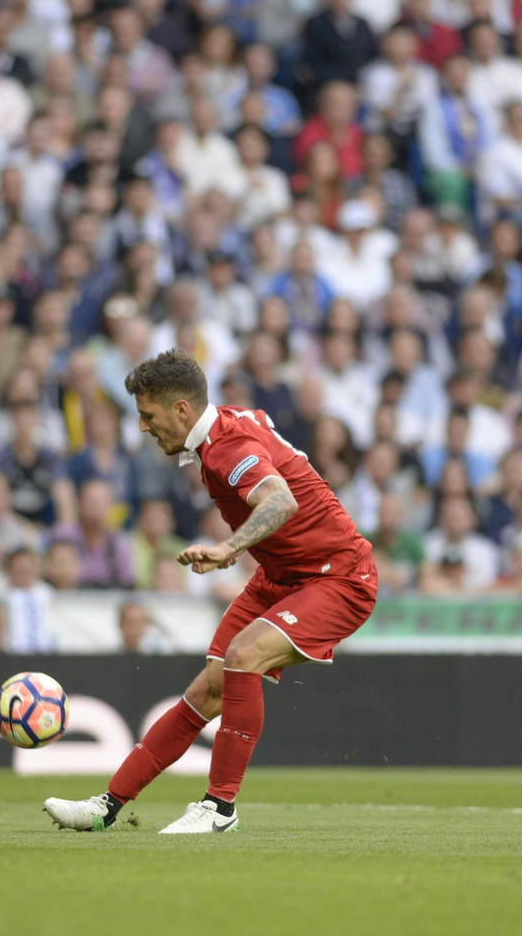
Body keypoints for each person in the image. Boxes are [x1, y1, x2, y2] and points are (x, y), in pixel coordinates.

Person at [44, 349, 376, 834]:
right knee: (206, 690)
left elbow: (280, 499)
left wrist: (230, 548)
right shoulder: (223, 430)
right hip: (283, 575)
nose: (141, 427)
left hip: (337, 577)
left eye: (147, 415)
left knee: (243, 656)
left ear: (182, 410)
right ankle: (106, 806)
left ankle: (220, 807)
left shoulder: (227, 445)